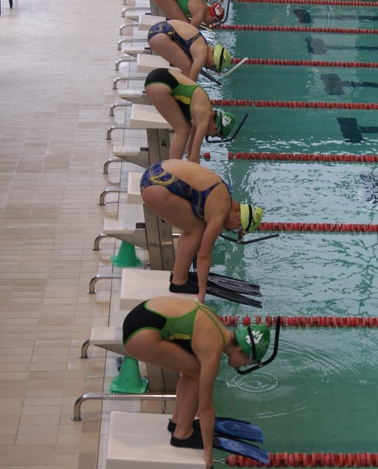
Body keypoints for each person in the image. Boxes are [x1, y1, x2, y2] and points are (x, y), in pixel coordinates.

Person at [122, 296, 272, 467]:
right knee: (198, 372)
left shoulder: (218, 328)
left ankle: (178, 422)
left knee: (192, 368)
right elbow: (206, 407)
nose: (243, 366)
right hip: (139, 335)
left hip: (139, 319)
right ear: (241, 351)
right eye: (248, 362)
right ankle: (182, 433)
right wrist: (208, 452)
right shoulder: (212, 351)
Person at [140, 160, 264, 302]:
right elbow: (203, 255)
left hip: (154, 173)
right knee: (197, 229)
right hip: (157, 187)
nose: (228, 229)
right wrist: (202, 291)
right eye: (236, 230)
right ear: (239, 217)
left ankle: (178, 275)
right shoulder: (220, 211)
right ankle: (179, 282)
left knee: (192, 227)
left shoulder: (223, 195)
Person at [144, 69, 234, 162]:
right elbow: (195, 155)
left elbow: (190, 149)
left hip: (159, 78)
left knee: (186, 127)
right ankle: (172, 172)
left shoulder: (204, 111)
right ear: (215, 127)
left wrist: (189, 165)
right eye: (214, 135)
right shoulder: (204, 115)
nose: (210, 136)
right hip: (159, 85)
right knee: (182, 130)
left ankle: (173, 168)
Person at [148, 20, 231, 81]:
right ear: (214, 58)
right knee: (188, 71)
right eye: (213, 67)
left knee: (185, 69)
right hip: (161, 36)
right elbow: (191, 82)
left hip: (158, 30)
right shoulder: (202, 54)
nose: (209, 67)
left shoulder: (202, 45)